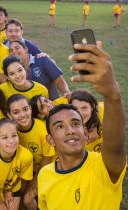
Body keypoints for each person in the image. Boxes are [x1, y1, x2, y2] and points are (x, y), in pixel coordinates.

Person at [38, 42, 127, 209]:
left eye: (75, 123)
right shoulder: (44, 175)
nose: (70, 130)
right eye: (59, 126)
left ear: (86, 133)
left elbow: (114, 143)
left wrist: (112, 95)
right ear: (50, 140)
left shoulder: (105, 166)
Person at [6, 94, 54, 210]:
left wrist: (34, 181)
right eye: (16, 112)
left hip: (44, 170)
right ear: (9, 115)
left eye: (25, 109)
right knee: (14, 202)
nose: (22, 115)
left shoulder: (42, 129)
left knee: (27, 199)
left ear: (31, 109)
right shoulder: (9, 131)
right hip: (24, 171)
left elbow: (48, 159)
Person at [0, 118, 34, 210]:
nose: (11, 141)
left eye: (14, 135)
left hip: (13, 185)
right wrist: (0, 204)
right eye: (4, 137)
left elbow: (21, 178)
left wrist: (9, 191)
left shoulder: (26, 155)